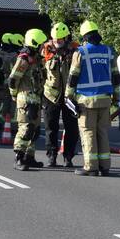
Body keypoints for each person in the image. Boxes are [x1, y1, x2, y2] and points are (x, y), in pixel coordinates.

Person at [66, 20, 119, 177]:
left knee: (88, 132)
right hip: (105, 99)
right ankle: (105, 166)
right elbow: (116, 76)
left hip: (86, 100)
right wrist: (116, 97)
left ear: (84, 37)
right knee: (102, 132)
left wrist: (68, 96)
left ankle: (90, 166)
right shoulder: (109, 51)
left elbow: (73, 77)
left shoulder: (81, 52)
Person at [8, 29, 48, 171]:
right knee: (26, 128)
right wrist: (15, 95)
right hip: (25, 99)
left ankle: (29, 157)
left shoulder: (37, 59)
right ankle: (18, 158)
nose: (43, 46)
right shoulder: (24, 59)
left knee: (35, 130)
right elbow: (13, 80)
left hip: (36, 99)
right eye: (41, 44)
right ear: (35, 43)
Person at [42, 22, 79, 167]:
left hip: (70, 97)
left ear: (66, 38)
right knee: (51, 127)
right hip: (51, 95)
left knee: (72, 128)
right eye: (55, 39)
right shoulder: (45, 49)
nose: (58, 42)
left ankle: (68, 157)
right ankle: (51, 156)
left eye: (61, 40)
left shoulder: (76, 49)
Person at [0, 33, 19, 130]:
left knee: (3, 101)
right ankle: (1, 121)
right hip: (3, 81)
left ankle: (0, 120)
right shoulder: (7, 56)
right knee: (5, 101)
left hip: (0, 81)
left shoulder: (1, 54)